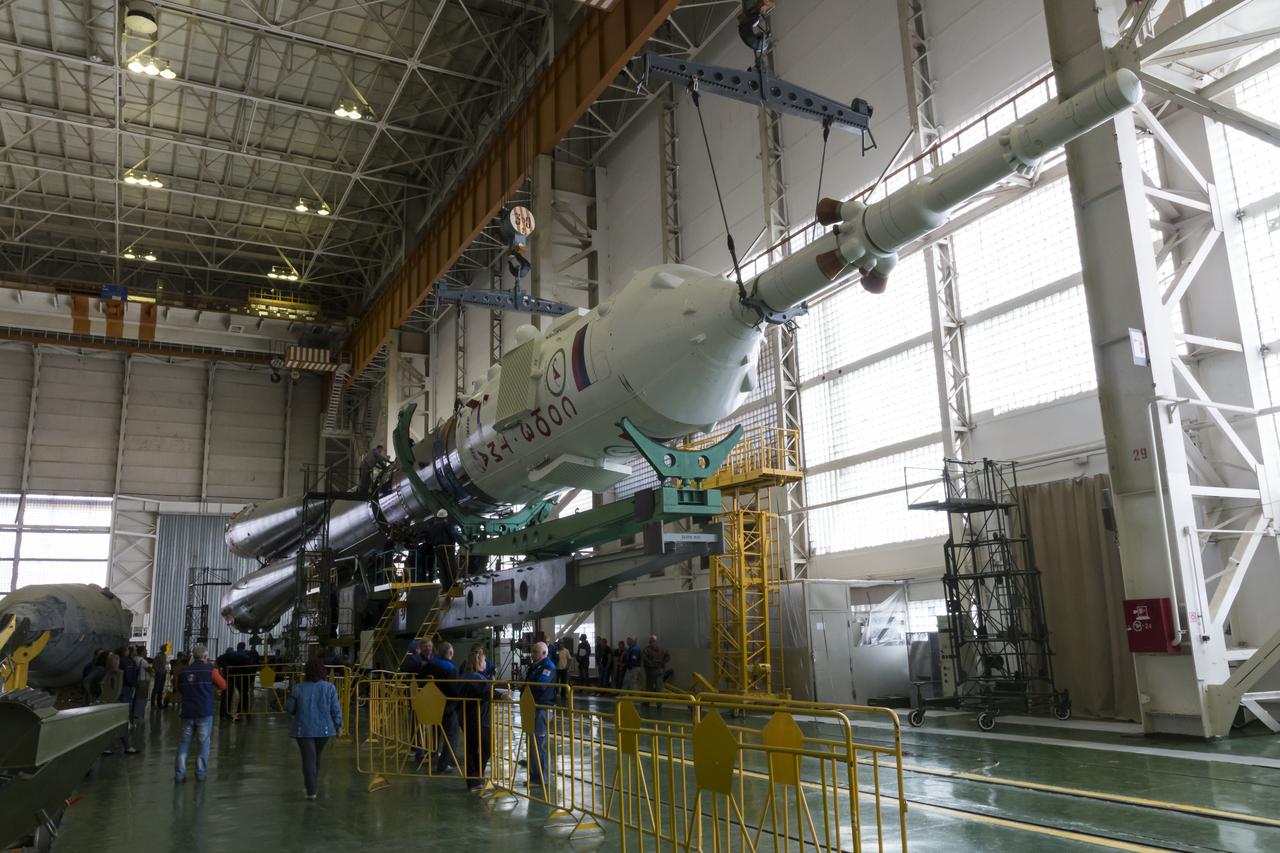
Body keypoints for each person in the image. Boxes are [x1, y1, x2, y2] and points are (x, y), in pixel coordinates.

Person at [286, 657, 344, 800]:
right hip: (324, 730)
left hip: (303, 729)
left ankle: (311, 790)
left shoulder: (298, 688)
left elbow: (289, 708)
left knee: (308, 759)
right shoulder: (330, 688)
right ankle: (312, 782)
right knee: (315, 756)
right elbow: (335, 709)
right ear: (323, 671)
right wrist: (339, 726)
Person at [175, 644, 226, 782]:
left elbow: (179, 689)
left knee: (184, 743)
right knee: (203, 744)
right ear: (205, 656)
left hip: (187, 713)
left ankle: (179, 775)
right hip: (204, 712)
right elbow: (223, 685)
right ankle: (200, 774)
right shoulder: (211, 670)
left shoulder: (183, 672)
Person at [456, 648, 493, 790]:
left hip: (465, 716)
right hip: (478, 717)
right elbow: (486, 692)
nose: (486, 663)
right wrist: (500, 695)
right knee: (486, 747)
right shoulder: (476, 678)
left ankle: (473, 780)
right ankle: (476, 776)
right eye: (484, 660)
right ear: (478, 662)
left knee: (471, 748)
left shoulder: (464, 676)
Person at [522, 641, 557, 789]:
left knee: (539, 743)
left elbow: (541, 686)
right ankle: (534, 776)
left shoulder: (548, 667)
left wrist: (527, 688)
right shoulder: (535, 667)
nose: (532, 654)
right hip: (532, 707)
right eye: (532, 651)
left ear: (544, 653)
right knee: (531, 743)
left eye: (535, 652)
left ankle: (543, 778)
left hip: (542, 707)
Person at [426, 642, 460, 773]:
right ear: (450, 653)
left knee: (436, 733)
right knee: (451, 735)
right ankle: (444, 764)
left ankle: (433, 755)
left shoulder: (430, 664)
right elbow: (453, 689)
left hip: (430, 705)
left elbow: (420, 678)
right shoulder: (450, 668)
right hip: (447, 706)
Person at [101, 652, 138, 755]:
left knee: (118, 724)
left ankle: (125, 746)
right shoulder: (113, 674)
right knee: (117, 724)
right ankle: (125, 746)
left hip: (113, 701)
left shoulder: (110, 673)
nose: (117, 663)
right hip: (114, 701)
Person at [424, 509, 460, 590]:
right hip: (448, 548)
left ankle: (445, 587)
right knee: (451, 566)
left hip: (437, 549)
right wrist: (463, 543)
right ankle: (454, 585)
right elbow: (454, 534)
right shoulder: (447, 525)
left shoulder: (433, 528)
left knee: (442, 568)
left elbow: (429, 540)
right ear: (445, 517)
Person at [131, 645, 151, 725]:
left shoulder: (134, 659)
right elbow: (150, 670)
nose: (147, 652)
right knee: (142, 699)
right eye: (146, 650)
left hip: (136, 681)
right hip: (143, 682)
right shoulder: (143, 661)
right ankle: (139, 716)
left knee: (135, 699)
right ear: (142, 652)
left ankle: (134, 714)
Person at [216, 647, 236, 718]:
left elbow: (218, 661)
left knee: (226, 696)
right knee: (228, 696)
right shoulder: (232, 657)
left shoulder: (222, 657)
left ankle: (225, 713)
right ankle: (225, 713)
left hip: (226, 677)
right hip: (229, 678)